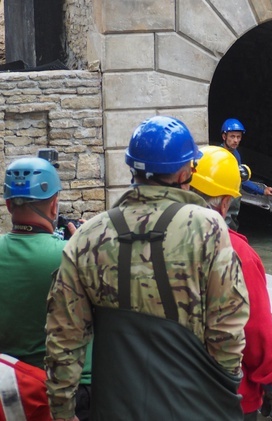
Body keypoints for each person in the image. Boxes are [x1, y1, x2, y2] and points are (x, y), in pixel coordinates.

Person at [45, 116, 249, 421]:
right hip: (192, 404)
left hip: (114, 407)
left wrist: (62, 411)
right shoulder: (207, 228)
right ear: (184, 171)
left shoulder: (88, 236)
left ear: (133, 170)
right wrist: (223, 389)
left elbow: (63, 337)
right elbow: (227, 328)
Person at [190, 145, 272, 421]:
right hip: (228, 399)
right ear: (224, 202)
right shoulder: (238, 253)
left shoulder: (154, 238)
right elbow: (255, 328)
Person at [0, 157, 91, 420]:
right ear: (54, 206)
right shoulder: (70, 254)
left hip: (10, 389)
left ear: (8, 205)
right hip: (68, 392)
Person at [220, 118, 272, 230]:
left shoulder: (235, 154)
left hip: (234, 205)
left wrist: (262, 190)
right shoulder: (219, 155)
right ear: (224, 137)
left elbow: (242, 180)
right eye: (232, 136)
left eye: (238, 137)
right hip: (222, 204)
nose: (236, 140)